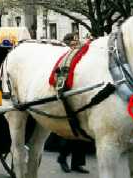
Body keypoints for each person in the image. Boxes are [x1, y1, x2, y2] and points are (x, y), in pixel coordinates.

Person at [56, 32, 89, 174]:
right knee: (70, 131)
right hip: (67, 95)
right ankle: (62, 158)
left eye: (77, 42)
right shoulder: (64, 56)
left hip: (80, 94)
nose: (75, 44)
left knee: (81, 134)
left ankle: (77, 163)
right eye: (73, 42)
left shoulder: (79, 55)